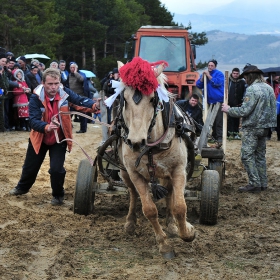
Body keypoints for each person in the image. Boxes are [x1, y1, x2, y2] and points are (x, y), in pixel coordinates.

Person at [9, 68, 100, 205]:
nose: (53, 87)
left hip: (59, 138)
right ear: (43, 83)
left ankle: (58, 196)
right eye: (50, 84)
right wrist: (47, 127)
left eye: (56, 84)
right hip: (39, 138)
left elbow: (79, 102)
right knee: (30, 167)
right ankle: (22, 188)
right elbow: (33, 121)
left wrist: (94, 105)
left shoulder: (65, 93)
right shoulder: (35, 97)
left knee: (57, 169)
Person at [221, 64, 277, 193]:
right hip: (265, 127)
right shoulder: (269, 88)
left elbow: (245, 111)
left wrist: (228, 109)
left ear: (249, 76)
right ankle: (263, 183)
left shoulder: (252, 89)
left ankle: (254, 183)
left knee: (247, 155)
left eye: (245, 77)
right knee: (260, 156)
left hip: (252, 127)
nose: (245, 80)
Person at [196, 59, 224, 143]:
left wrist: (209, 76)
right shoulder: (204, 74)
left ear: (215, 66)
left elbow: (218, 83)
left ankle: (219, 137)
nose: (210, 67)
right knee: (211, 120)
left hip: (218, 100)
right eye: (209, 66)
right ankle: (214, 136)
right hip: (209, 101)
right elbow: (198, 85)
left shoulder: (219, 74)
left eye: (212, 66)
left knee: (218, 120)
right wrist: (202, 79)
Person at [67, 62, 91, 133]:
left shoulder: (80, 74)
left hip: (80, 97)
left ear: (76, 68)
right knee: (69, 113)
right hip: (71, 97)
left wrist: (75, 72)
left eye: (73, 67)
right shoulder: (69, 76)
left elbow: (81, 80)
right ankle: (68, 127)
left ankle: (83, 129)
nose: (72, 69)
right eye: (71, 67)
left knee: (82, 114)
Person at [227, 68, 246, 139]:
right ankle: (228, 133)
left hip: (238, 104)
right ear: (232, 73)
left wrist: (243, 101)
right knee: (229, 119)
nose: (235, 75)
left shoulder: (242, 82)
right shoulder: (228, 81)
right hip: (229, 103)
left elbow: (245, 92)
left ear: (239, 74)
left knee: (236, 120)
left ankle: (235, 133)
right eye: (234, 73)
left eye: (237, 73)